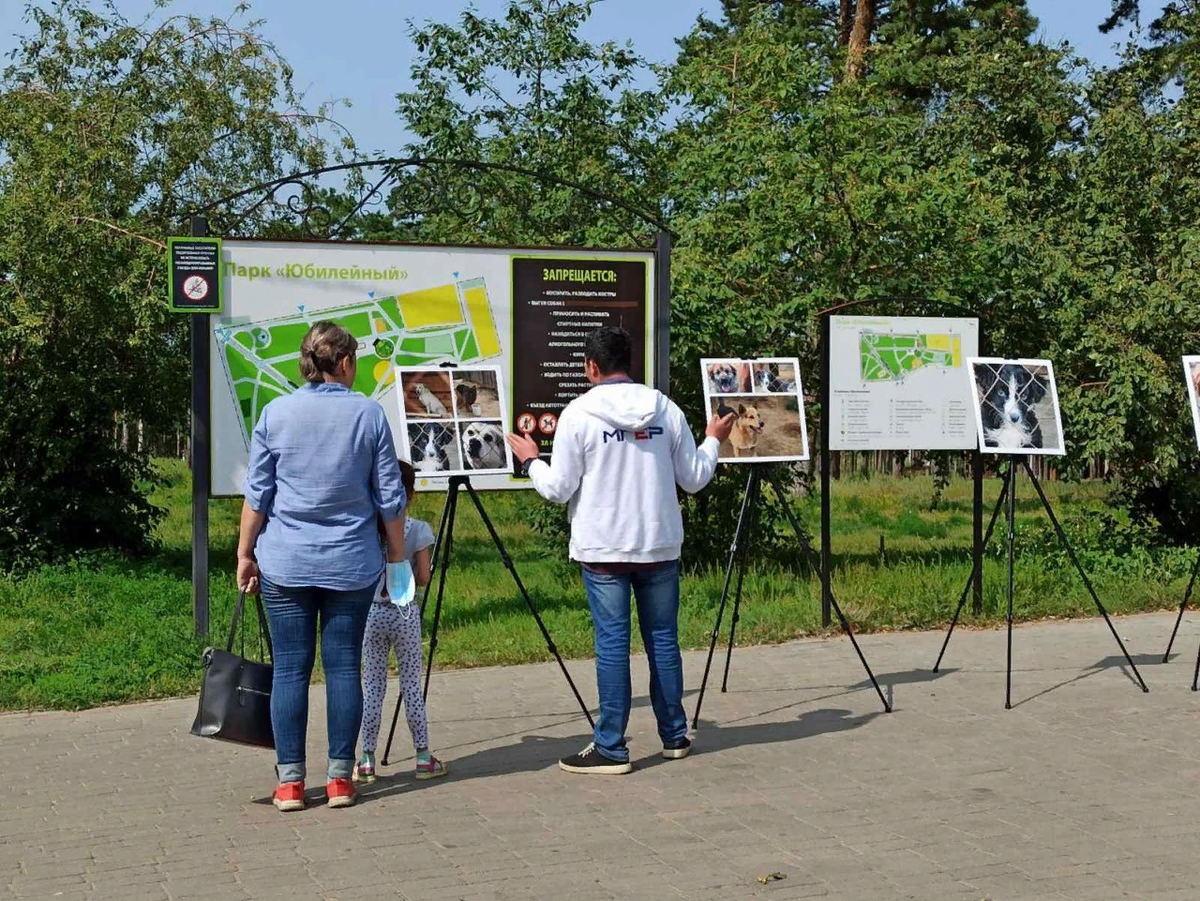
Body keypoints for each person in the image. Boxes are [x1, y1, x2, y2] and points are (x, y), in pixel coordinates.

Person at [505, 326, 734, 774]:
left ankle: (611, 747)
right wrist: (712, 438)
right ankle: (674, 736)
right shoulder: (663, 408)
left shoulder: (579, 414)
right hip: (659, 544)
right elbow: (694, 478)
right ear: (630, 363)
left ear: (591, 366)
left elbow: (557, 489)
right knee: (663, 641)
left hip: (604, 549)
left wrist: (532, 459)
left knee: (613, 644)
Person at [236, 321, 409, 812]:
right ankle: (339, 779)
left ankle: (290, 784)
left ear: (306, 364)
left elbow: (258, 495)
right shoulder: (368, 415)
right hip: (351, 563)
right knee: (342, 667)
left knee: (290, 669)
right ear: (348, 363)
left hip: (284, 562)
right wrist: (396, 555)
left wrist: (246, 553)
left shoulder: (275, 412)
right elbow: (390, 497)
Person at [355, 459, 447, 783]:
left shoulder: (368, 528)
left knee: (373, 687)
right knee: (411, 685)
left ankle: (366, 759)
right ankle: (422, 756)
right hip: (404, 613)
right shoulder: (418, 529)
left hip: (372, 612)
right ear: (410, 495)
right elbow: (422, 578)